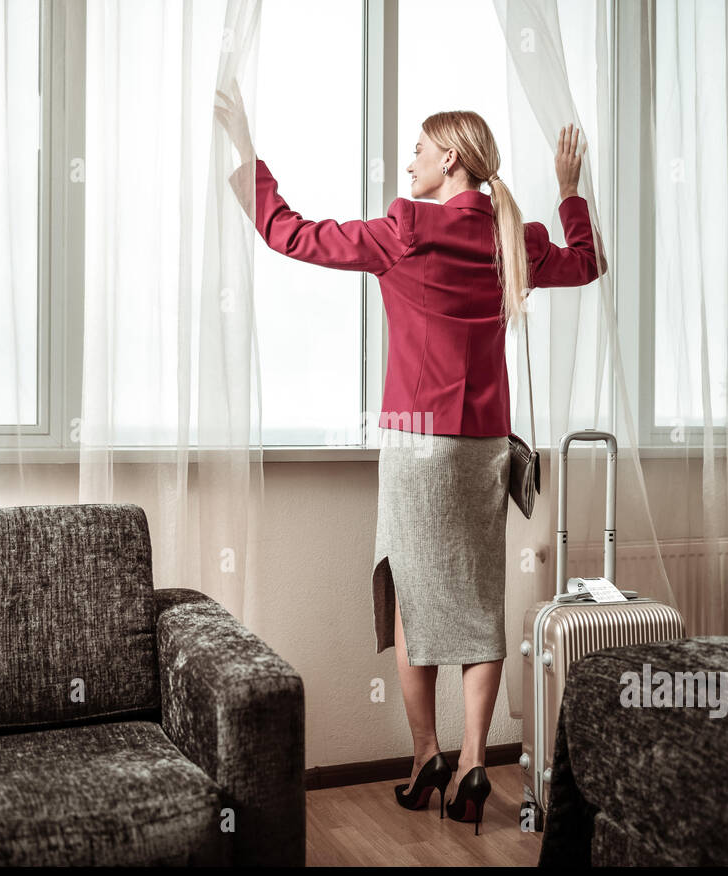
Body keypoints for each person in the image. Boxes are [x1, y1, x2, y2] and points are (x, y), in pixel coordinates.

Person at [216, 86, 605, 836]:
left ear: (449, 157)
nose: (410, 162)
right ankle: (472, 765)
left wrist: (246, 156)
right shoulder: (511, 237)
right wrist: (568, 192)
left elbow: (291, 234)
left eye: (420, 150)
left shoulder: (405, 229)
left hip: (417, 449)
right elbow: (587, 263)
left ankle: (424, 755)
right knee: (478, 605)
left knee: (408, 597)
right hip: (485, 448)